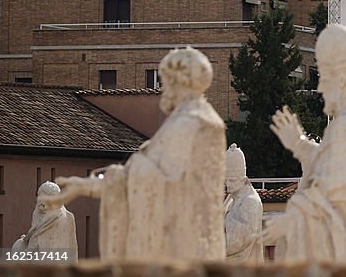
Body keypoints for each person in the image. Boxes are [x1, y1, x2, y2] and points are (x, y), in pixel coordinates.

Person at [50, 46, 226, 260]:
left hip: (182, 248)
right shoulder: (185, 121)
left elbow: (170, 185)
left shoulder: (193, 123)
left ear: (181, 81)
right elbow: (138, 179)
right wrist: (84, 186)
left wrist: (135, 169)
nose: (163, 87)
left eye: (166, 80)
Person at [263, 24, 346, 262]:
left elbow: (339, 188)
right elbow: (337, 167)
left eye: (324, 76)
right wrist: (300, 144)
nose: (321, 87)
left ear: (342, 77)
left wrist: (292, 220)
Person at [12, 181, 78, 256]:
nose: (39, 201)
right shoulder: (41, 212)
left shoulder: (56, 216)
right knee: (19, 244)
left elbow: (37, 244)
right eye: (39, 197)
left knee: (18, 246)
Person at [224, 144, 263, 262]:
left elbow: (237, 241)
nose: (228, 184)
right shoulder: (232, 199)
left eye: (232, 180)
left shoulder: (251, 201)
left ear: (243, 179)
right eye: (226, 180)